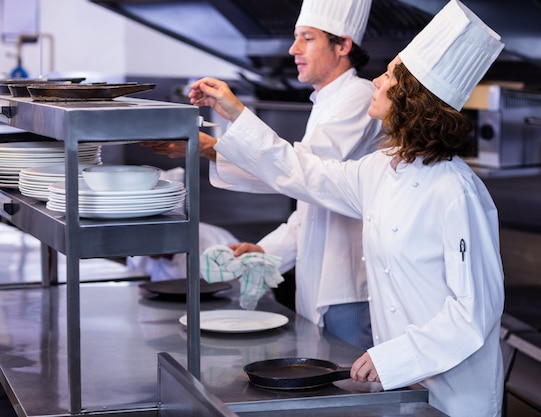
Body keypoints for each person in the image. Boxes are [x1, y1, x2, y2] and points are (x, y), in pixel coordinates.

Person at [184, 1, 506, 416]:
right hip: (405, 384)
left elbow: (473, 313)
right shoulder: (380, 171)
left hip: (457, 396)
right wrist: (234, 114)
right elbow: (303, 172)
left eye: (389, 76)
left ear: (413, 99)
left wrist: (393, 358)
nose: (376, 80)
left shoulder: (456, 191)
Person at [148, 0, 380, 350]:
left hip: (348, 286)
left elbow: (300, 173)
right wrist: (265, 251)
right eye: (295, 38)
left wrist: (216, 142)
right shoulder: (326, 101)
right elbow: (308, 200)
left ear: (343, 45)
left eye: (307, 38)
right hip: (318, 282)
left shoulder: (359, 96)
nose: (293, 49)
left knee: (352, 393)